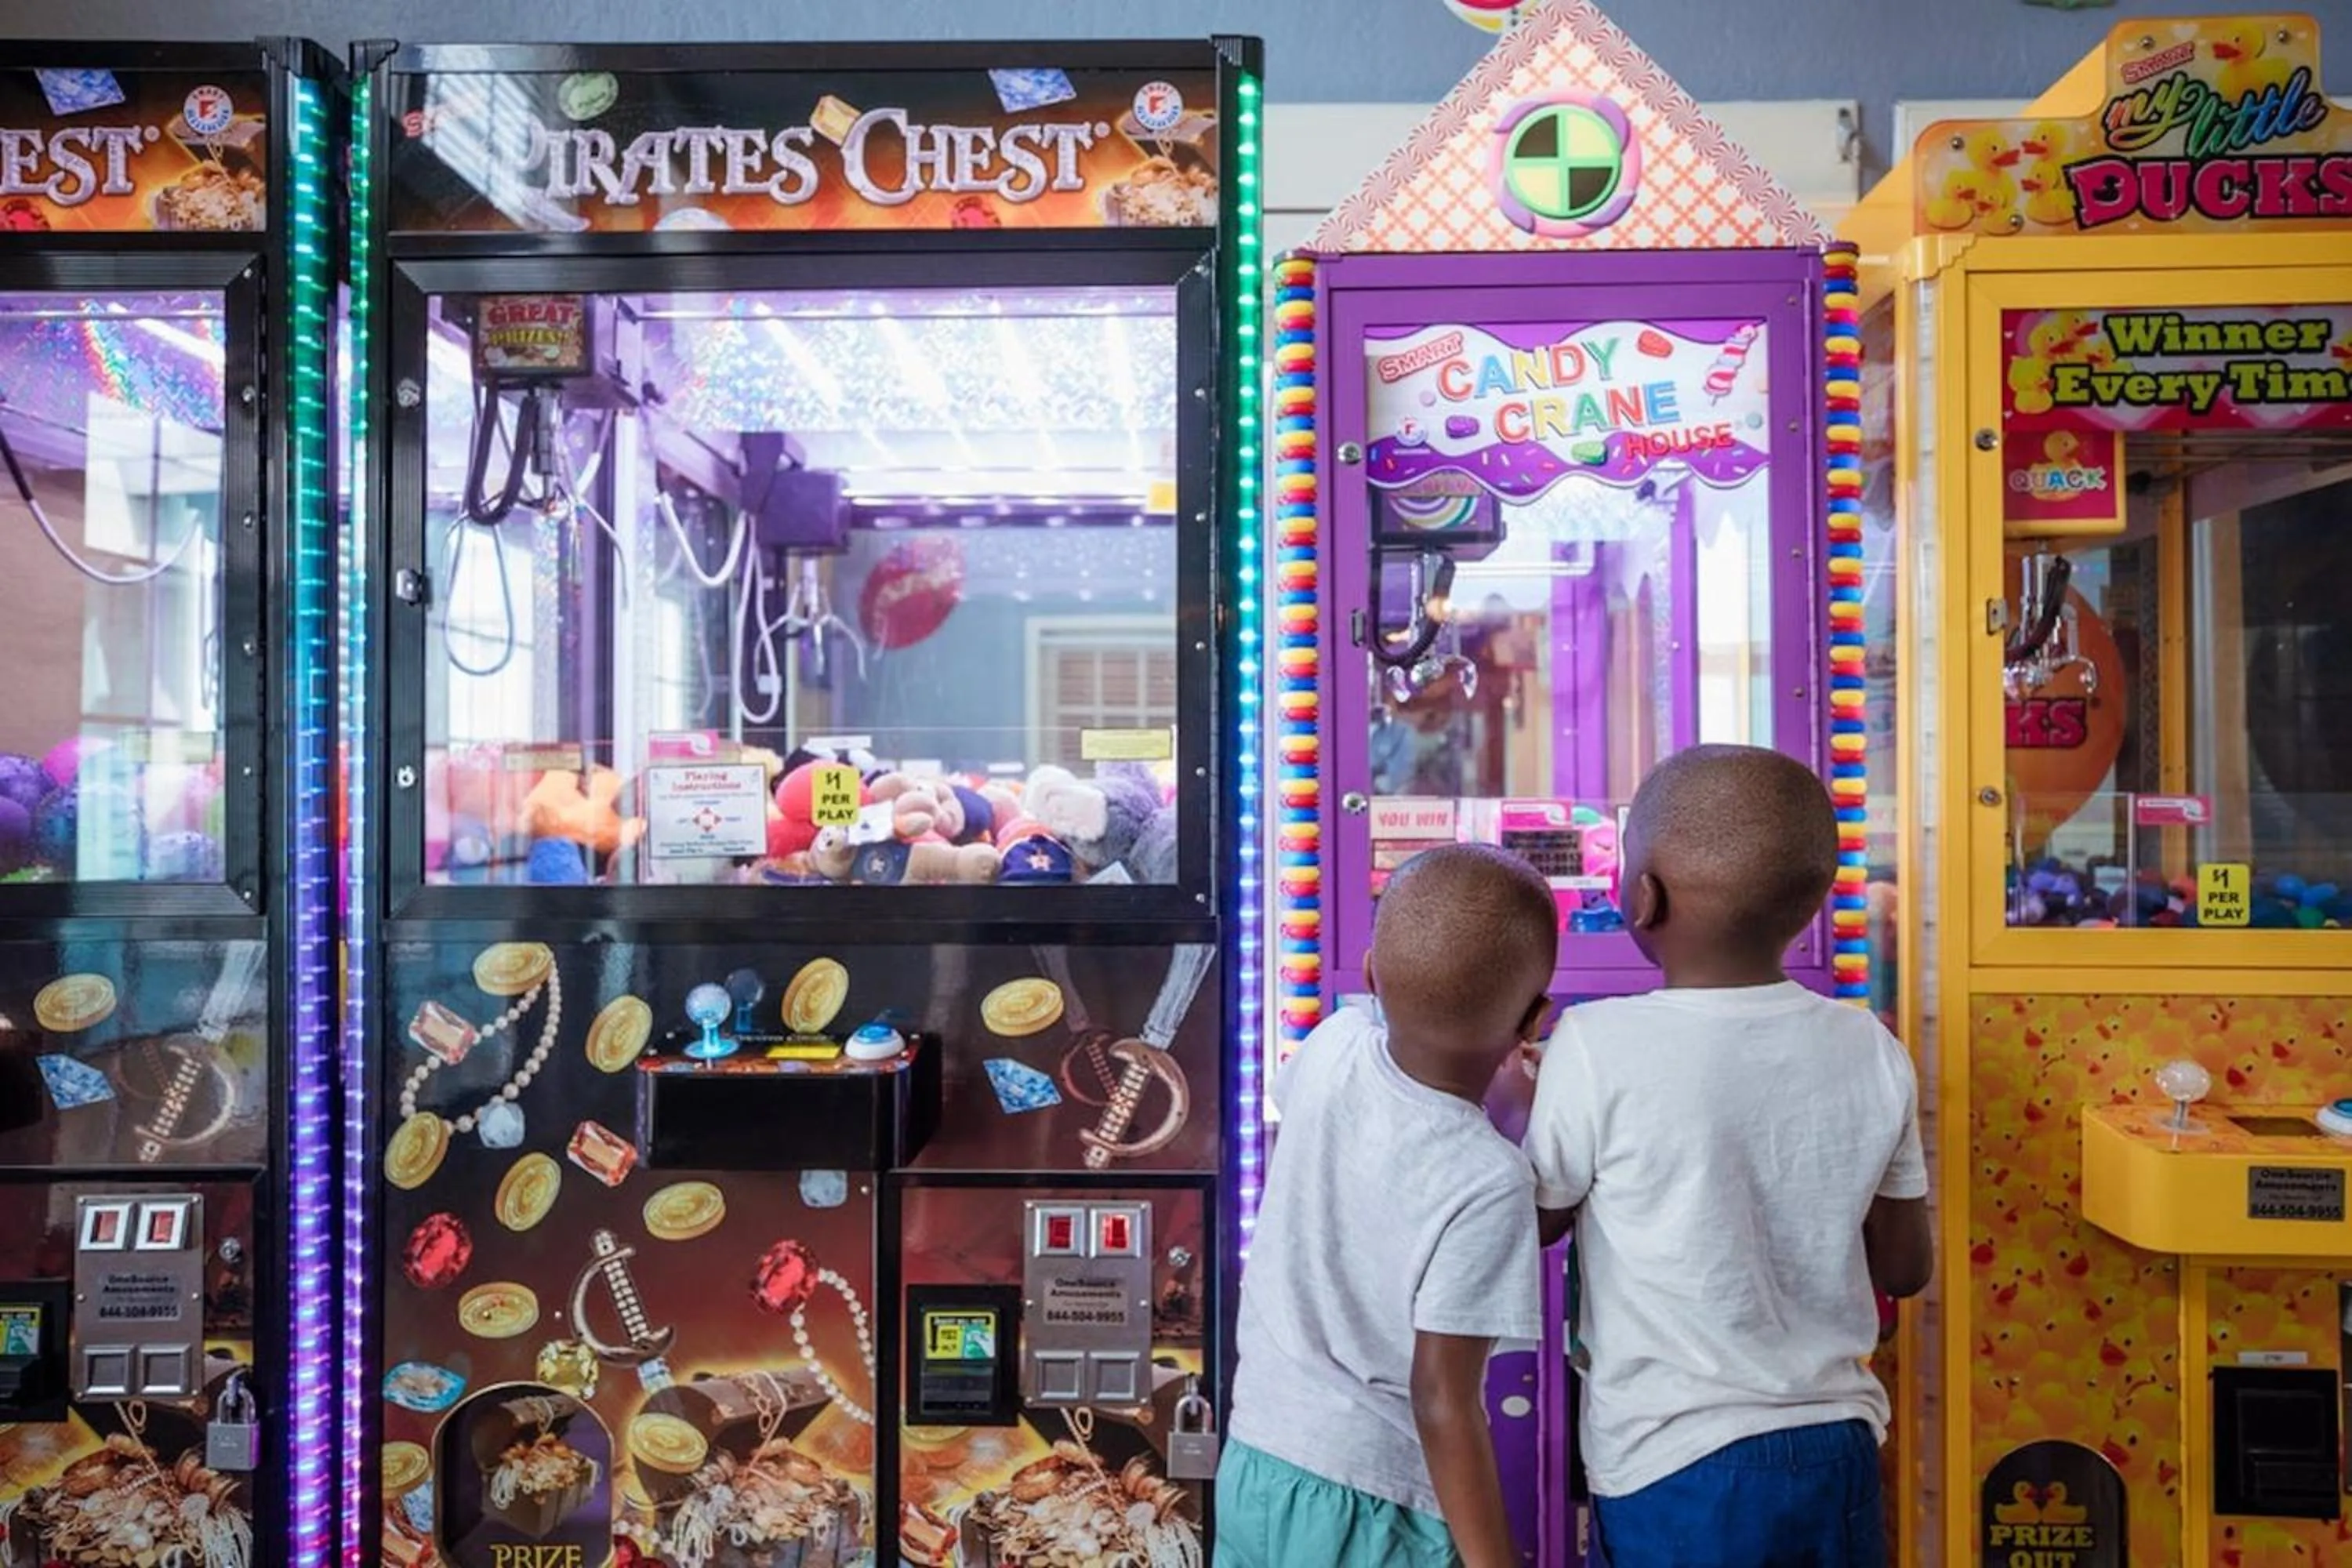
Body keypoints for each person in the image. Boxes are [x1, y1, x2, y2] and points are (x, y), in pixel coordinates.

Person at [1524, 745, 1932, 1567]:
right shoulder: (1870, 1046)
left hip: (1671, 1459)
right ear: (1815, 903)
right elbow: (1905, 1265)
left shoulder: (1597, 1044)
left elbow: (1537, 1218)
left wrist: (1510, 1104)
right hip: (1837, 1444)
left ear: (1643, 895)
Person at [1218, 843, 1560, 1568]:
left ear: (1371, 974)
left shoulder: (1333, 1045)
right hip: (1374, 1500)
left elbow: (1383, 1133)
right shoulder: (1490, 1178)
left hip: (1257, 1463)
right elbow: (1443, 1400)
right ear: (1534, 1021)